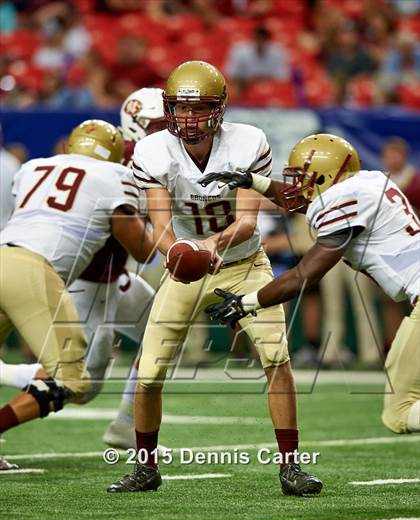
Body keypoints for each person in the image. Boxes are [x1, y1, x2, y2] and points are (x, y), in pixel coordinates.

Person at [107, 60, 322, 496]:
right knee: (149, 372)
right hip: (184, 270)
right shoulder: (153, 151)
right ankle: (145, 467)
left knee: (276, 360)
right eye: (180, 109)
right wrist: (178, 253)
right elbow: (161, 226)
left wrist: (208, 248)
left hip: (243, 264)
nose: (187, 118)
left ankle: (290, 467)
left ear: (218, 109)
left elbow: (246, 222)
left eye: (198, 108)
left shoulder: (247, 142)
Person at [199, 133, 420, 435]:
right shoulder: (367, 181)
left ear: (327, 177)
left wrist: (246, 303)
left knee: (400, 412)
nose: (297, 186)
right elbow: (305, 201)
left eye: (305, 178)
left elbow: (304, 275)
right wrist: (253, 181)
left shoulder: (344, 200)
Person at [0, 89, 167, 452]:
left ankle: (128, 428)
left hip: (100, 277)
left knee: (168, 326)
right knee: (79, 386)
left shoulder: (34, 167)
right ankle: (10, 373)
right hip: (74, 280)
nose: (171, 132)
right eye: (161, 125)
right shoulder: (118, 172)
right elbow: (144, 248)